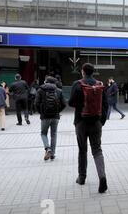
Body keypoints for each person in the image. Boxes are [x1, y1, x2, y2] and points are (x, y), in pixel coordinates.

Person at [68, 63, 109, 193]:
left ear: (83, 72)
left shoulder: (78, 84)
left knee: (82, 150)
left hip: (81, 122)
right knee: (97, 150)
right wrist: (101, 121)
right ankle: (102, 177)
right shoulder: (99, 84)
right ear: (93, 72)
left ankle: (82, 177)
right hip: (96, 122)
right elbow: (105, 105)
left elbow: (71, 102)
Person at [35, 76, 66, 161]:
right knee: (54, 134)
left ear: (46, 82)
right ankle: (52, 154)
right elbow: (64, 104)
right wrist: (58, 111)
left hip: (45, 116)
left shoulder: (40, 90)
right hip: (55, 116)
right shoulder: (59, 91)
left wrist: (41, 112)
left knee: (43, 133)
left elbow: (36, 103)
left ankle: (47, 148)